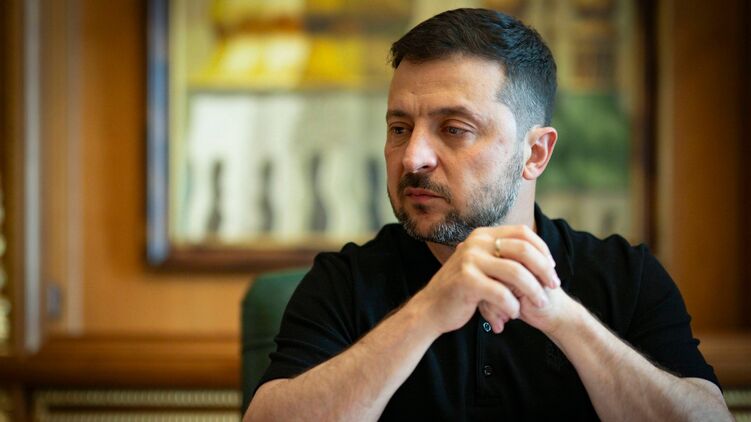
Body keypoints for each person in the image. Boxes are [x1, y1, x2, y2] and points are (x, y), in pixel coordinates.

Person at [244, 8, 732, 421]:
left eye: (454, 129)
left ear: (535, 153)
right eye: (399, 128)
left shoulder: (626, 276)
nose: (412, 158)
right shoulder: (345, 282)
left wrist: (560, 315)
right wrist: (427, 312)